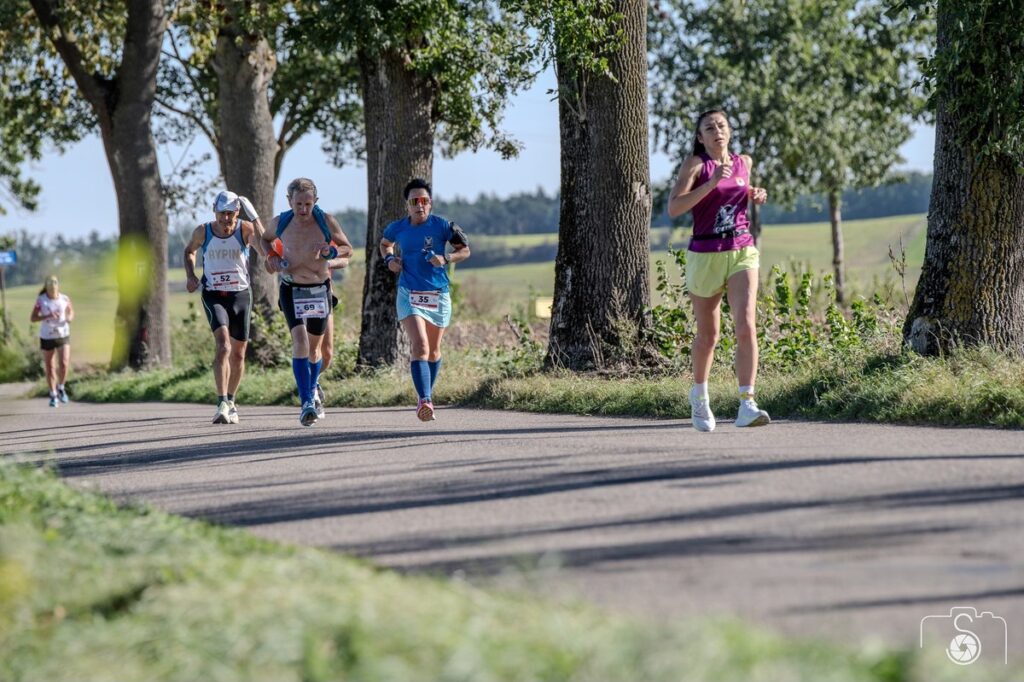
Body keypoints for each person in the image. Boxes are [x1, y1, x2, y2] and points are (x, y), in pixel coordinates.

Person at [667, 109, 770, 432]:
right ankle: (699, 396)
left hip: (741, 249)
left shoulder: (744, 162)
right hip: (705, 253)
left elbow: (737, 192)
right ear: (700, 137)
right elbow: (674, 207)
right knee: (708, 335)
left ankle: (747, 403)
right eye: (709, 128)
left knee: (746, 326)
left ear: (730, 131)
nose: (717, 131)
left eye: (721, 125)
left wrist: (754, 194)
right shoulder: (695, 165)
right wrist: (711, 184)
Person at [260, 177, 353, 426]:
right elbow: (264, 239)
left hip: (319, 289)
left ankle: (312, 389)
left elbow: (348, 249)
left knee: (315, 349)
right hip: (291, 288)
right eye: (298, 204)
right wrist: (271, 256)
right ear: (289, 201)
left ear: (316, 201)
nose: (303, 210)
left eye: (308, 204)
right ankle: (306, 403)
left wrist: (331, 252)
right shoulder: (280, 222)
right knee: (299, 342)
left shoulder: (326, 221)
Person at [380, 178, 471, 421]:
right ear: (407, 205)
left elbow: (465, 250)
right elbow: (385, 244)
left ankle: (427, 394)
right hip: (409, 293)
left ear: (430, 203)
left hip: (437, 294)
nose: (419, 205)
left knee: (433, 350)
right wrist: (390, 260)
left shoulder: (442, 226)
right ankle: (425, 400)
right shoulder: (398, 228)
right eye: (414, 201)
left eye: (424, 201)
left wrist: (446, 259)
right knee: (420, 345)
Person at [184, 190, 265, 424]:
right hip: (214, 295)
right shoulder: (203, 231)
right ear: (214, 211)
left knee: (238, 354)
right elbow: (189, 251)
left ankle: (231, 401)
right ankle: (221, 402)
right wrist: (191, 275)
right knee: (223, 346)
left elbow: (265, 250)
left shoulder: (245, 229)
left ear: (237, 213)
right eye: (221, 214)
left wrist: (255, 218)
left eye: (230, 214)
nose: (226, 219)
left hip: (240, 295)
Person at [30, 275, 74, 407]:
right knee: (50, 367)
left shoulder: (65, 298)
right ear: (46, 286)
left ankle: (61, 387)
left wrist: (69, 318)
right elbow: (33, 318)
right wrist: (47, 316)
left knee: (64, 363)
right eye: (50, 283)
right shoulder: (41, 300)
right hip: (47, 336)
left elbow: (71, 311)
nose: (53, 286)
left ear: (58, 285)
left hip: (63, 334)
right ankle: (53, 394)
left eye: (55, 283)